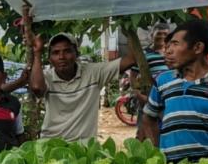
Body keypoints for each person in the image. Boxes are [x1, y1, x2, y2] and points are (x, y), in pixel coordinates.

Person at [141, 18, 208, 162]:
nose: (167, 51)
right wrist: (156, 156)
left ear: (197, 48)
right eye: (168, 45)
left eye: (175, 44)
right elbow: (149, 118)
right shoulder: (163, 80)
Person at [26, 8, 137, 141]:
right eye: (56, 53)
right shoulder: (47, 77)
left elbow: (131, 59)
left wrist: (128, 22)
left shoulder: (93, 73)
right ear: (49, 59)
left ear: (76, 54)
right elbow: (37, 88)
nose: (61, 57)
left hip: (84, 149)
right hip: (51, 145)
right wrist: (37, 53)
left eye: (67, 51)